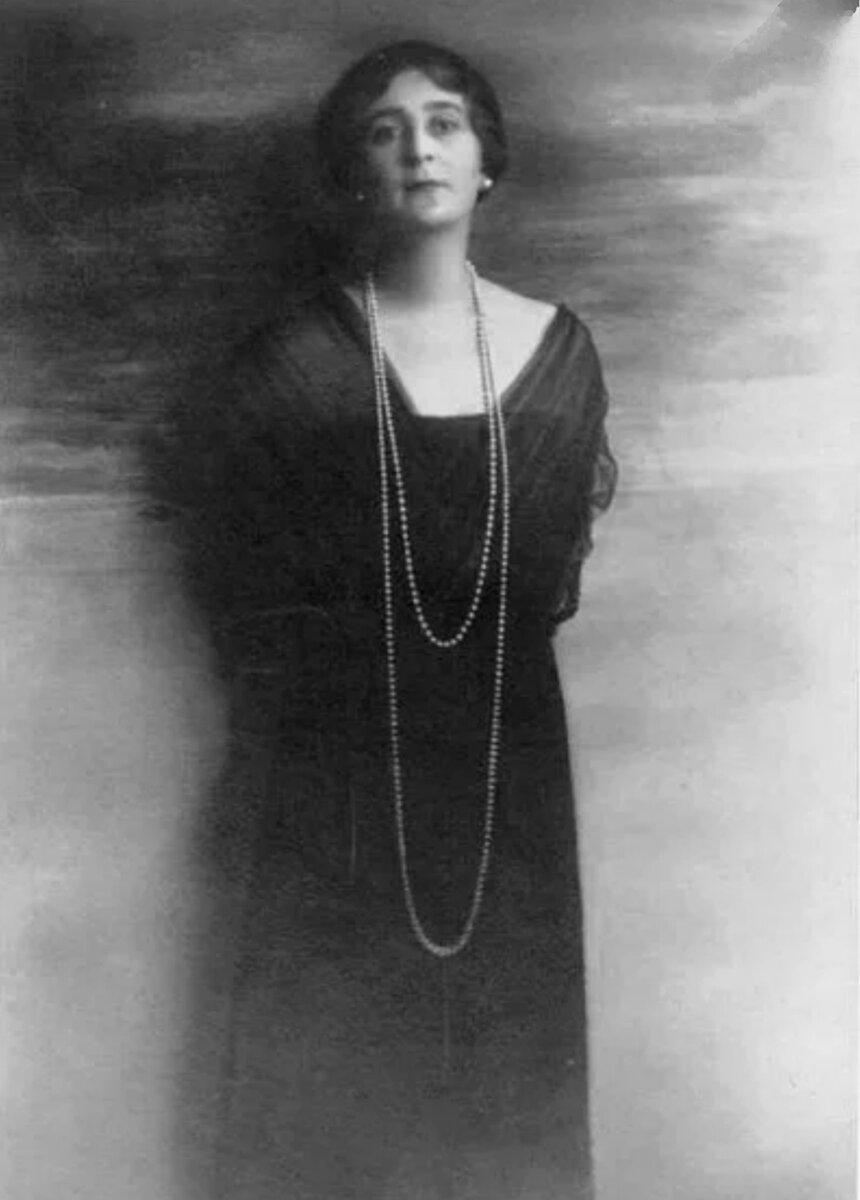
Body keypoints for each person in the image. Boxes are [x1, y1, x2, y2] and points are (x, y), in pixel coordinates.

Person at [165, 38, 616, 1200]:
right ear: (353, 169)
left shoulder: (559, 356)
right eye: (384, 129)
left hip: (507, 763)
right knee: (332, 1094)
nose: (418, 148)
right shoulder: (290, 367)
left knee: (505, 1081)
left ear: (485, 159)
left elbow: (534, 585)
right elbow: (249, 595)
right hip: (334, 772)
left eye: (444, 123)